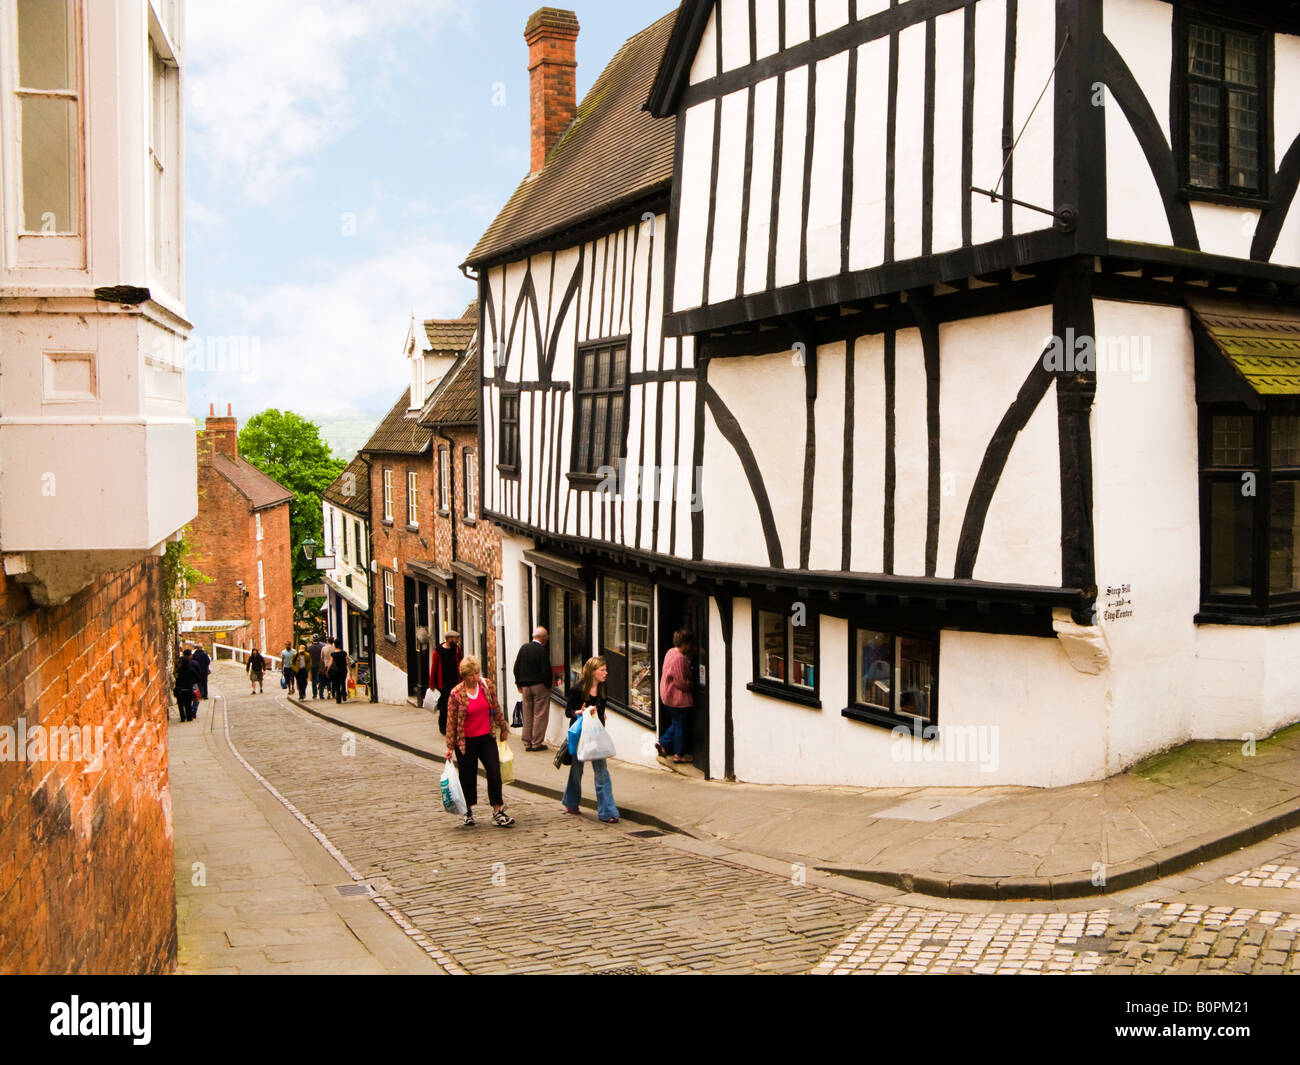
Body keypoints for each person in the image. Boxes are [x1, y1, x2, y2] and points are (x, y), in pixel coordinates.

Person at [444, 656, 514, 827]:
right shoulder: (456, 694)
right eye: (471, 675)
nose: (475, 677)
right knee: (467, 776)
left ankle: (497, 810)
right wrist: (449, 747)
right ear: (464, 676)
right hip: (466, 741)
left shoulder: (486, 686)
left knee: (494, 772)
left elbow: (496, 708)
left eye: (477, 673)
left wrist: (503, 728)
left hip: (486, 737)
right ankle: (468, 811)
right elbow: (451, 721)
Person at [562, 657, 619, 823]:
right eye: (602, 670)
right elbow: (568, 712)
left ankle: (607, 812)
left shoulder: (602, 687)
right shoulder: (577, 689)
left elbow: (602, 707)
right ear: (593, 672)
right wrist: (580, 712)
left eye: (605, 669)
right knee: (576, 770)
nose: (605, 673)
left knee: (602, 772)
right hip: (580, 735)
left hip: (596, 734)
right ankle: (571, 802)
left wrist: (601, 714)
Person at [655, 629, 695, 764]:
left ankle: (662, 743)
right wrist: (691, 685)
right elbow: (681, 682)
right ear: (684, 644)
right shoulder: (680, 658)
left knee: (676, 722)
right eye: (689, 644)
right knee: (680, 727)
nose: (690, 647)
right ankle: (678, 754)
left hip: (667, 695)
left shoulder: (670, 652)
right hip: (676, 698)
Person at [512, 626, 551, 751]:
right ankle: (536, 743)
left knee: (527, 714)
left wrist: (519, 684)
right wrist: (548, 684)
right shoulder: (542, 651)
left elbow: (516, 668)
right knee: (540, 714)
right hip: (539, 686)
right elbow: (546, 671)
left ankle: (527, 742)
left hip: (525, 687)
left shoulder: (524, 648)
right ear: (543, 639)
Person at [429, 630, 463, 735]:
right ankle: (443, 726)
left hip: (455, 682)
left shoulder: (457, 649)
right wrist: (432, 684)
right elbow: (434, 668)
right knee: (444, 706)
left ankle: (454, 726)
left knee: (456, 705)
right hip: (443, 683)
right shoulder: (438, 651)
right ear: (448, 639)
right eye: (455, 639)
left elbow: (461, 662)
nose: (456, 641)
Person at [174, 649, 197, 722]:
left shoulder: (178, 670)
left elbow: (176, 677)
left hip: (180, 688)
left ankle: (182, 717)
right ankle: (189, 717)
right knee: (188, 703)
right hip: (189, 688)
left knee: (180, 704)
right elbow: (196, 677)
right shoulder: (191, 669)